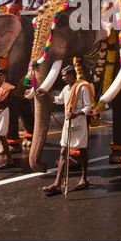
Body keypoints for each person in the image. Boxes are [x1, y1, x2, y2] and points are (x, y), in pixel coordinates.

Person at [36, 65, 93, 195]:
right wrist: (46, 94)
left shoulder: (82, 87)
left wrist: (76, 114)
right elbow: (59, 100)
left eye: (64, 75)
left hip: (79, 124)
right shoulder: (66, 88)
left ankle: (84, 179)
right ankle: (57, 184)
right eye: (61, 75)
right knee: (63, 151)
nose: (62, 78)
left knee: (83, 150)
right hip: (68, 124)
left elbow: (88, 107)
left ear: (71, 75)